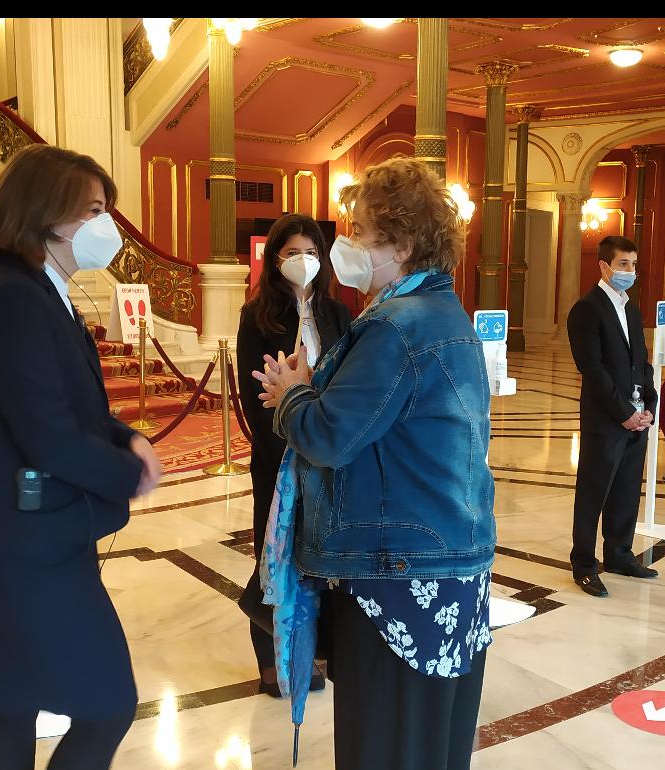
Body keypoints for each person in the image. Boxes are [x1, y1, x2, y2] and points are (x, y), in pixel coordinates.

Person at [255, 157, 495, 770]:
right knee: (430, 741)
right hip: (446, 557)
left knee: (383, 744)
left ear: (403, 244)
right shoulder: (446, 315)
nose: (347, 245)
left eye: (360, 232)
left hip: (397, 569)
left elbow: (331, 436)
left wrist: (292, 397)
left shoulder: (395, 325)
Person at [0, 144, 163, 770]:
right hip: (22, 543)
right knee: (106, 705)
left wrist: (127, 438)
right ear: (47, 212)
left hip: (21, 534)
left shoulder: (42, 292)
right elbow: (48, 435)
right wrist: (130, 473)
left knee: (12, 700)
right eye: (93, 209)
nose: (106, 227)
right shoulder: (14, 300)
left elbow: (71, 409)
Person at [235, 213, 351, 697]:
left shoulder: (338, 314)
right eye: (292, 253)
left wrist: (327, 442)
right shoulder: (256, 316)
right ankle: (270, 659)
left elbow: (346, 385)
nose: (303, 261)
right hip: (279, 458)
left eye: (311, 252)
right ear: (274, 259)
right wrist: (288, 447)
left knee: (316, 556)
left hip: (327, 455)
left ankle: (312, 651)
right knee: (275, 553)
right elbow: (252, 395)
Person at [566, 235, 659, 598]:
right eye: (623, 264)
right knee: (594, 491)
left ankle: (619, 554)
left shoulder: (631, 310)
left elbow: (642, 360)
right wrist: (623, 413)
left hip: (637, 414)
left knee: (625, 488)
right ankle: (584, 564)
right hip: (606, 417)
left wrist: (648, 404)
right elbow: (593, 369)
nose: (630, 271)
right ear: (604, 267)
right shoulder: (586, 310)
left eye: (634, 264)